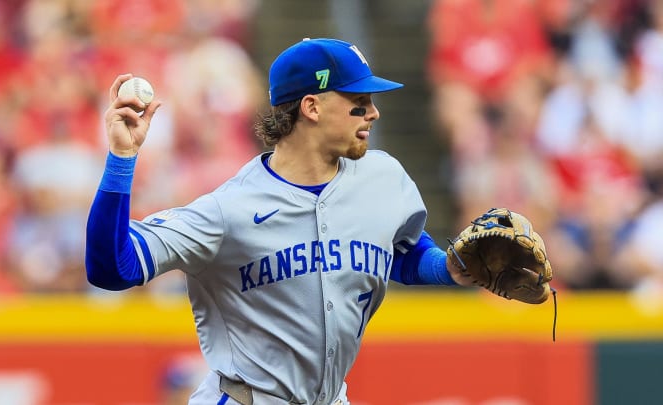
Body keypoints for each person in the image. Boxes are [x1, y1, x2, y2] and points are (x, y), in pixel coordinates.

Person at [86, 38, 473, 405]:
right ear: (312, 107)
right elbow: (112, 268)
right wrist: (122, 158)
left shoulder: (383, 178)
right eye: (359, 101)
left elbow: (396, 249)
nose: (373, 112)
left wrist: (446, 268)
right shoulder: (228, 210)